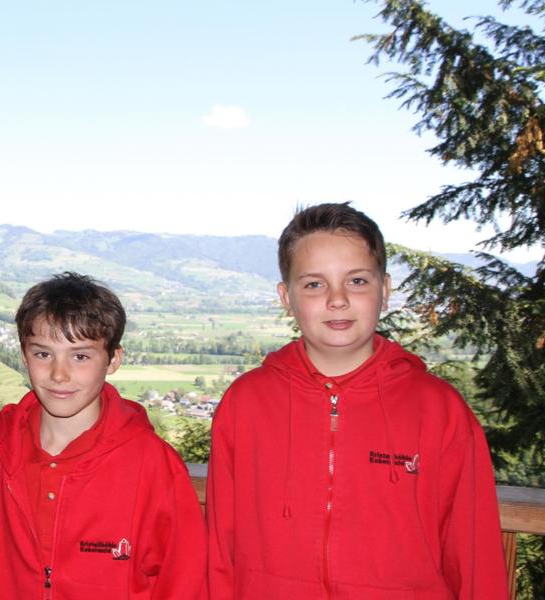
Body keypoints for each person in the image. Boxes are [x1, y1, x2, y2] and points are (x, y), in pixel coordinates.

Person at [205, 202, 509, 599]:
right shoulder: (246, 403)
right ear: (286, 297)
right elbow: (219, 547)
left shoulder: (439, 410)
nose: (337, 299)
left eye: (357, 281)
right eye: (314, 284)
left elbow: (474, 555)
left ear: (385, 290)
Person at [0, 272, 207, 599]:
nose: (59, 374)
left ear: (113, 360)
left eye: (81, 356)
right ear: (24, 353)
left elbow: (184, 582)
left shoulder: (154, 466)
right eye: (43, 354)